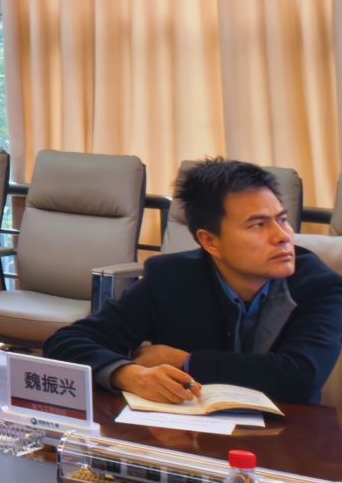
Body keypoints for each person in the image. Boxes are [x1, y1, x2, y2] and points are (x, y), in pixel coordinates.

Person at [45, 159, 342, 406]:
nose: (283, 236)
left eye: (282, 219)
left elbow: (301, 378)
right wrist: (128, 374)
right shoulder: (170, 278)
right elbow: (66, 343)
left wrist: (186, 361)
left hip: (288, 436)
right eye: (258, 225)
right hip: (189, 435)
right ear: (210, 241)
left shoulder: (321, 286)